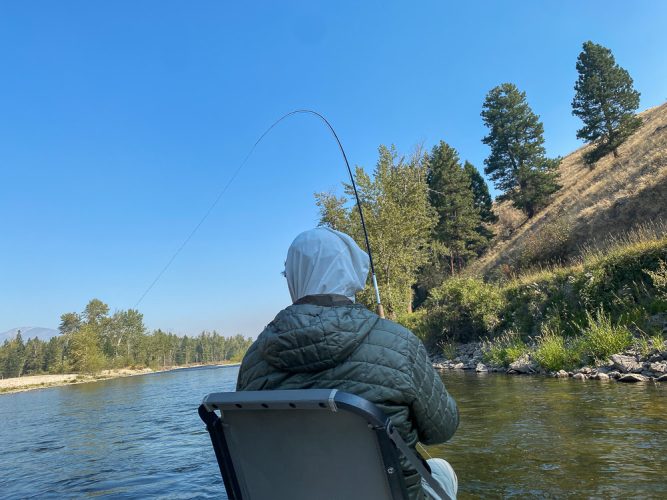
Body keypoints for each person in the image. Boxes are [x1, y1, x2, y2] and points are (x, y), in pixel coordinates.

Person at [236, 227, 459, 499]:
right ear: (350, 274)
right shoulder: (399, 342)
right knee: (441, 469)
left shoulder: (252, 359)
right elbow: (442, 430)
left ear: (293, 278)